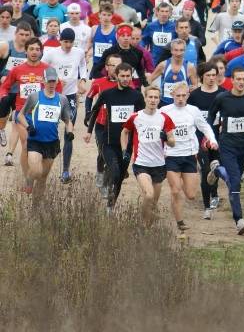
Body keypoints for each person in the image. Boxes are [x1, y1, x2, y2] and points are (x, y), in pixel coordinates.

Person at [207, 67, 244, 234]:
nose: (241, 82)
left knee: (236, 177)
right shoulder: (222, 98)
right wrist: (211, 136)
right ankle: (239, 220)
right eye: (238, 79)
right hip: (227, 145)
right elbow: (211, 115)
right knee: (235, 180)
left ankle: (217, 170)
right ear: (231, 80)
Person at [85, 63, 145, 213]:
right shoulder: (107, 94)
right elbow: (95, 110)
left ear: (131, 76)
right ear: (116, 76)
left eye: (128, 76)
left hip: (127, 145)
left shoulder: (136, 96)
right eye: (122, 76)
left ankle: (111, 206)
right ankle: (107, 188)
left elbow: (143, 119)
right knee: (116, 172)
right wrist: (89, 131)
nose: (125, 79)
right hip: (109, 142)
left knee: (119, 178)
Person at [163, 81, 218, 233]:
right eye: (177, 96)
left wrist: (212, 140)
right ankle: (180, 222)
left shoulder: (193, 111)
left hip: (189, 156)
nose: (180, 99)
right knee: (175, 190)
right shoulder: (165, 111)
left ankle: (188, 179)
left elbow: (205, 126)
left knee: (191, 195)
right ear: (172, 95)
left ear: (188, 95)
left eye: (183, 95)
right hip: (171, 156)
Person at [0, 37, 55, 185]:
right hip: (22, 112)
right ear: (26, 51)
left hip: (42, 113)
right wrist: (4, 96)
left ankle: (38, 175)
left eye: (37, 49)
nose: (34, 52)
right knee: (25, 144)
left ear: (41, 51)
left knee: (43, 147)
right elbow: (5, 86)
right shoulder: (17, 70)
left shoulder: (47, 70)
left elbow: (58, 88)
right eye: (31, 49)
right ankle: (28, 179)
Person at [121, 86, 176, 226]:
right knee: (149, 195)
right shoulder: (136, 117)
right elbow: (124, 131)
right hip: (141, 163)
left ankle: (147, 228)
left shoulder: (164, 118)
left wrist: (166, 138)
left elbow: (173, 143)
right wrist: (124, 150)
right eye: (150, 97)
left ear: (159, 100)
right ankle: (142, 223)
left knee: (153, 202)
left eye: (156, 97)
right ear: (145, 98)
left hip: (159, 164)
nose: (153, 100)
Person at [17, 67, 73, 202]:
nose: (52, 84)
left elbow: (67, 120)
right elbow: (20, 116)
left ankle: (35, 209)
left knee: (43, 178)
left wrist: (70, 132)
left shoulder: (62, 99)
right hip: (35, 140)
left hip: (52, 143)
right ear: (43, 81)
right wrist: (28, 126)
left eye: (54, 81)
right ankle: (29, 181)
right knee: (36, 171)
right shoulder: (35, 97)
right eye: (49, 81)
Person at [42, 28, 87, 183]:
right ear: (60, 40)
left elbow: (83, 65)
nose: (68, 45)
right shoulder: (50, 53)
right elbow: (42, 69)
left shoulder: (79, 52)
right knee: (48, 130)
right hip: (53, 96)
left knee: (69, 132)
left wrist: (83, 80)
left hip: (70, 96)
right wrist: (56, 79)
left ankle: (66, 170)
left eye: (70, 42)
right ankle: (43, 161)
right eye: (65, 41)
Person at [188, 62, 224, 219]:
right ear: (202, 76)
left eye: (213, 75)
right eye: (208, 75)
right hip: (199, 138)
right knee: (205, 169)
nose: (211, 78)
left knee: (216, 167)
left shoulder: (223, 94)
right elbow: (189, 117)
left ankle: (215, 193)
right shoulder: (195, 95)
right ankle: (207, 205)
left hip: (218, 137)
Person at [85, 53, 122, 192]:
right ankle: (100, 174)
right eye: (114, 65)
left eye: (119, 65)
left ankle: (108, 180)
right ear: (107, 67)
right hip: (101, 125)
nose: (117, 68)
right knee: (103, 153)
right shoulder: (98, 83)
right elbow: (89, 98)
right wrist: (88, 112)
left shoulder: (126, 83)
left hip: (118, 127)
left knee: (115, 156)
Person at [0, 21, 32, 148]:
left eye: (26, 35)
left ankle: (11, 152)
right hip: (6, 89)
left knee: (16, 120)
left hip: (21, 91)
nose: (24, 37)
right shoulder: (6, 47)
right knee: (2, 118)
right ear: (15, 34)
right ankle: (1, 130)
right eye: (21, 34)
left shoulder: (30, 50)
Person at [148, 38, 197, 106]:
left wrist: (194, 88)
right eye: (176, 50)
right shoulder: (163, 65)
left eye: (181, 50)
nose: (178, 53)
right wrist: (153, 92)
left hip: (182, 104)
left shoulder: (190, 67)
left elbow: (195, 86)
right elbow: (149, 79)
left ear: (185, 51)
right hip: (164, 103)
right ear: (171, 51)